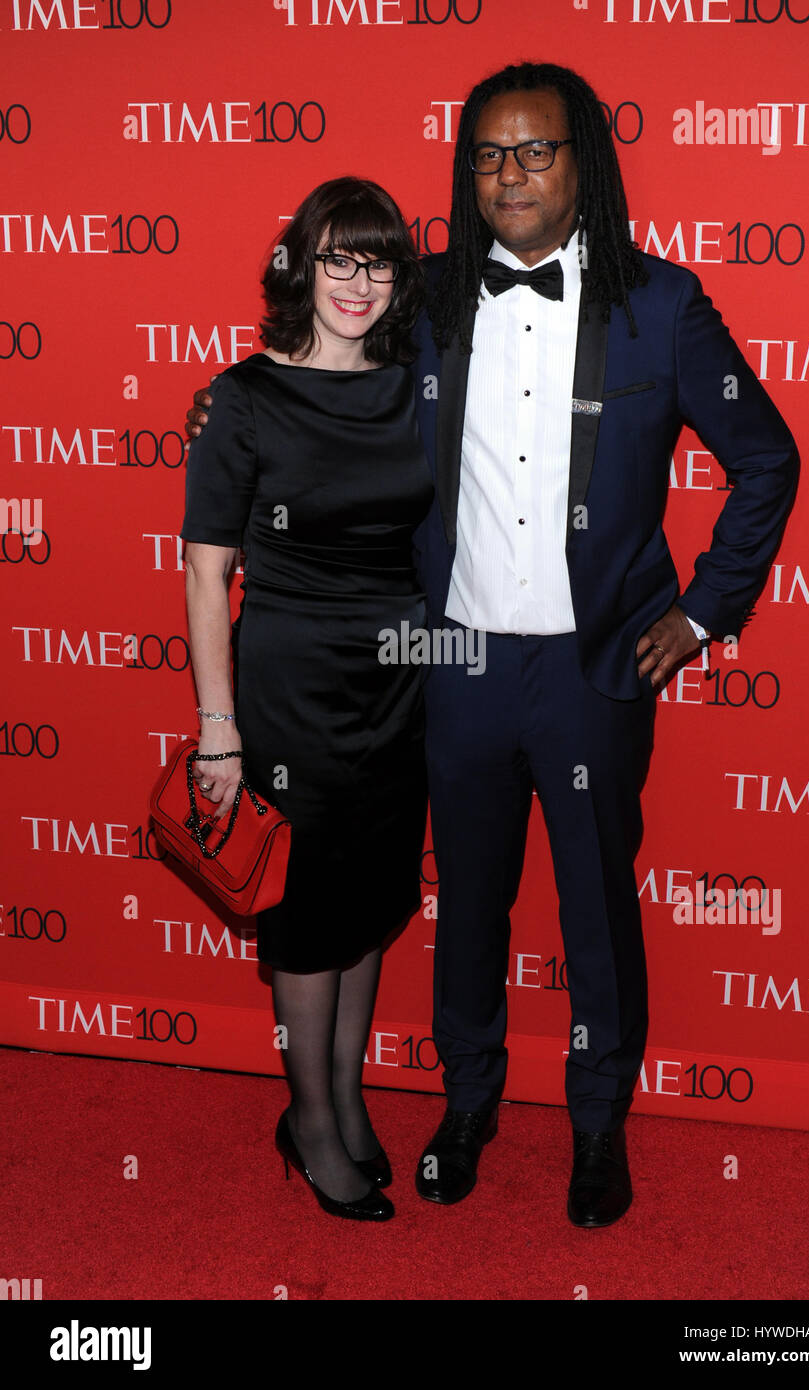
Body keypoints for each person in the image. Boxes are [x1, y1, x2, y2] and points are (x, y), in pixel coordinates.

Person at [186, 64, 799, 1229]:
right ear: (465, 172)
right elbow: (331, 378)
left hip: (595, 666)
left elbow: (767, 459)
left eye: (536, 151)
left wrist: (707, 610)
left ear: (585, 164)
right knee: (464, 901)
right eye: (487, 155)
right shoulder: (429, 299)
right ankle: (466, 1104)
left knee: (595, 908)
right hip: (453, 667)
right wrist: (229, 411)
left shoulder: (661, 307)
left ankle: (599, 1122)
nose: (509, 174)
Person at [180, 176, 433, 1222]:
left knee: (371, 898)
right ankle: (312, 1123)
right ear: (299, 268)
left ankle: (346, 1092)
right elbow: (205, 572)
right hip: (289, 681)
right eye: (337, 257)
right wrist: (218, 730)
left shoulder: (422, 384)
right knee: (304, 911)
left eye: (376, 260)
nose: (357, 281)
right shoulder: (242, 398)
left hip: (403, 675)